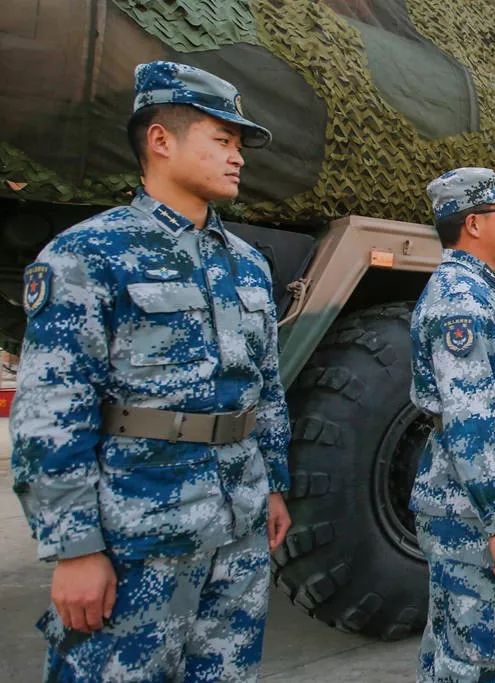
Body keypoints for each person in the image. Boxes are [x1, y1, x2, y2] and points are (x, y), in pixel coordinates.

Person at [10, 61, 291, 681]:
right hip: (140, 531)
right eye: (222, 141)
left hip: (237, 524)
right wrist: (75, 547)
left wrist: (272, 483)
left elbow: (264, 389)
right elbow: (51, 410)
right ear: (160, 141)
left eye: (239, 146)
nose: (238, 158)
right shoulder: (87, 255)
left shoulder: (246, 264)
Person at [410, 167, 495, 682]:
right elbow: (473, 420)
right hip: (473, 514)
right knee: (482, 660)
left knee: (455, 652)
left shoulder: (477, 291)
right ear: (473, 223)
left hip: (476, 507)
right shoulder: (461, 300)